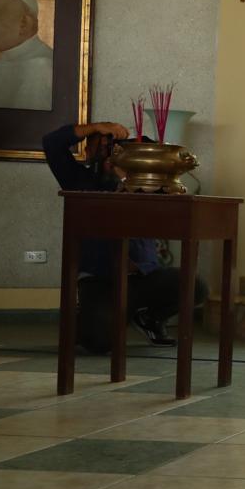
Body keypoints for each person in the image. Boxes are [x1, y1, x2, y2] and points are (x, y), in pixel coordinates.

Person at [43, 120, 207, 352]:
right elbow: (51, 143)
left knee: (195, 285)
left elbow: (155, 153)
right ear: (88, 152)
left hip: (141, 278)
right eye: (100, 148)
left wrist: (126, 171)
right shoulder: (78, 181)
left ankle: (149, 318)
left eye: (113, 149)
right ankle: (98, 319)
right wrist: (95, 128)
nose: (108, 155)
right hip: (101, 279)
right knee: (97, 343)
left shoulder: (144, 184)